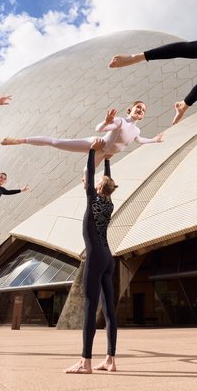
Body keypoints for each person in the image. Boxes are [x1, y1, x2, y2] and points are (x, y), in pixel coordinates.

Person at [65, 140, 118, 374]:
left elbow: (91, 173)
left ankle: (85, 362)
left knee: (89, 307)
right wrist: (106, 161)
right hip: (109, 257)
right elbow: (104, 180)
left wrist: (92, 151)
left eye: (94, 185)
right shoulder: (109, 203)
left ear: (97, 189)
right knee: (109, 312)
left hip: (95, 257)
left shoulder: (93, 199)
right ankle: (110, 360)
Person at [1, 101, 163, 170]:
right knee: (56, 143)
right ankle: (19, 140)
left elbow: (141, 140)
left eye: (143, 110)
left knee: (88, 174)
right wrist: (106, 122)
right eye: (138, 107)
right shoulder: (120, 121)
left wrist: (155, 140)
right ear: (130, 109)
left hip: (103, 153)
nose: (140, 110)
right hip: (96, 143)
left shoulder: (137, 131)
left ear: (142, 116)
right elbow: (99, 128)